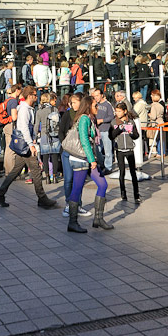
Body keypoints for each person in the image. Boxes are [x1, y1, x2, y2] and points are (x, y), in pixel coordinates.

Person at [0, 87, 58, 209]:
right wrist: (31, 144)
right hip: (26, 146)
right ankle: (42, 198)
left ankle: (0, 194)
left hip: (24, 145)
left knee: (15, 171)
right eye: (35, 95)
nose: (37, 97)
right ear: (30, 96)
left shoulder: (27, 108)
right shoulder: (24, 109)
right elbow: (24, 127)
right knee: (36, 170)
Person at [65, 95, 112, 232]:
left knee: (102, 184)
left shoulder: (89, 118)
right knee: (77, 188)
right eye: (95, 105)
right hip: (81, 158)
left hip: (87, 158)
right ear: (88, 106)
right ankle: (72, 222)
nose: (98, 107)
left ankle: (98, 218)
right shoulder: (84, 119)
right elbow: (84, 140)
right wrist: (92, 160)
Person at [58, 93, 92, 219]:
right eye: (71, 103)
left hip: (79, 152)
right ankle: (69, 204)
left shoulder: (84, 116)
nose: (72, 105)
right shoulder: (68, 114)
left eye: (75, 102)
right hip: (67, 151)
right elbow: (61, 131)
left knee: (78, 181)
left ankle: (78, 204)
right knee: (68, 179)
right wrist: (65, 144)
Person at [109, 102, 140, 204]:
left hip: (130, 150)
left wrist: (131, 133)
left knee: (133, 172)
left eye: (119, 111)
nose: (117, 113)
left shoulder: (131, 122)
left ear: (125, 111)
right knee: (121, 172)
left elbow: (136, 135)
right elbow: (111, 136)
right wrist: (119, 129)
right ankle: (123, 193)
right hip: (120, 150)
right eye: (116, 111)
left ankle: (136, 195)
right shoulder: (114, 122)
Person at [35, 92, 61, 183]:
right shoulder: (55, 109)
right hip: (54, 135)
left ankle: (47, 177)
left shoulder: (39, 111)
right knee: (54, 156)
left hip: (44, 135)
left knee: (45, 157)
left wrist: (35, 136)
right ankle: (54, 177)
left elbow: (36, 125)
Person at [92, 88, 115, 171]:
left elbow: (111, 116)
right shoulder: (95, 105)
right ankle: (101, 164)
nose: (96, 97)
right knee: (97, 150)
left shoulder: (107, 105)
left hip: (105, 130)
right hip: (97, 131)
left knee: (107, 150)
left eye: (97, 95)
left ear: (102, 95)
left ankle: (108, 167)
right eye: (94, 96)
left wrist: (102, 120)